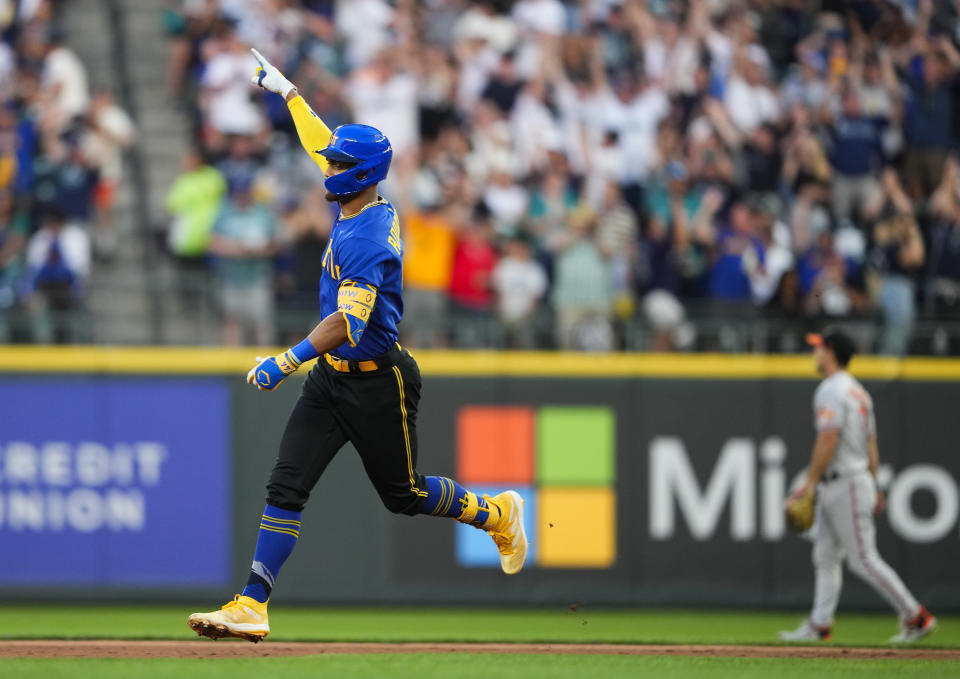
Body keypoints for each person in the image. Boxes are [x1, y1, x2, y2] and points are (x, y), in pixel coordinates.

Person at [188, 49, 527, 643]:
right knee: (285, 484)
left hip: (376, 377)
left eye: (341, 162)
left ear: (361, 173)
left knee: (406, 495)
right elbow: (321, 139)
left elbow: (347, 323)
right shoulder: (359, 197)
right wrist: (289, 92)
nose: (328, 166)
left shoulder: (368, 234)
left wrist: (286, 359)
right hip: (335, 378)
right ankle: (252, 603)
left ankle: (495, 513)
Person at [778, 330, 936, 644]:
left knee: (863, 558)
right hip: (848, 481)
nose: (815, 354)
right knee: (824, 556)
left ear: (830, 351)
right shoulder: (858, 392)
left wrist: (808, 485)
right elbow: (871, 445)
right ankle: (820, 624)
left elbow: (828, 439)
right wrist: (874, 484)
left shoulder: (831, 390)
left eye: (818, 348)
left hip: (846, 482)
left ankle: (916, 616)